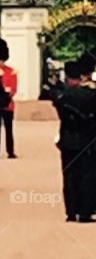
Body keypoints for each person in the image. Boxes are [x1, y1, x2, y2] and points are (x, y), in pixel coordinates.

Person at [51, 59, 96, 222]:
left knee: (69, 176)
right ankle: (85, 211)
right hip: (87, 139)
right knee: (87, 175)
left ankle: (71, 211)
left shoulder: (62, 95)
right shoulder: (90, 95)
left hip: (67, 138)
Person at [0, 38, 18, 158]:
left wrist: (6, 96)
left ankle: (10, 151)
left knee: (9, 130)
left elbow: (13, 89)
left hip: (7, 104)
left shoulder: (11, 71)